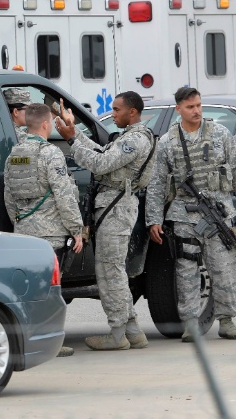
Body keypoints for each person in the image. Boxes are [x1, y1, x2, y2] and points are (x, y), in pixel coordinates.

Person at [146, 86, 236, 342]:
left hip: (219, 213)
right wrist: (153, 219)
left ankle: (227, 320)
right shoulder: (167, 142)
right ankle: (190, 323)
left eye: (198, 105)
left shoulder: (220, 134)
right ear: (178, 109)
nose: (196, 111)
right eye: (190, 107)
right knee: (186, 271)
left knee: (224, 268)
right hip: (184, 216)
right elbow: (156, 182)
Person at [55, 91, 156, 351]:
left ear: (132, 112)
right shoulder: (129, 137)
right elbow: (102, 151)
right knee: (113, 270)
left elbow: (100, 163)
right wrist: (75, 133)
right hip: (115, 206)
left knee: (109, 271)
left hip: (117, 208)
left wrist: (71, 142)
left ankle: (118, 334)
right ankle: (132, 331)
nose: (113, 113)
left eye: (117, 109)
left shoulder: (135, 140)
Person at [4, 103, 84, 357]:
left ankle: (29, 339)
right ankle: (48, 342)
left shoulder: (14, 154)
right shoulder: (50, 154)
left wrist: (20, 222)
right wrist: (76, 229)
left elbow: (9, 196)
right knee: (50, 290)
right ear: (47, 124)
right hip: (50, 235)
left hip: (23, 232)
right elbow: (64, 194)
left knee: (27, 290)